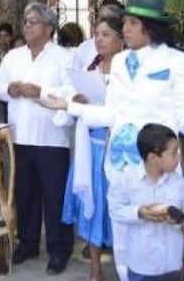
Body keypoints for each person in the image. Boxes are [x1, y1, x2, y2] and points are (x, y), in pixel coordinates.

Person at [40, 0, 184, 281]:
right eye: (124, 23)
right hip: (120, 164)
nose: (124, 29)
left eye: (130, 23)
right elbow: (111, 113)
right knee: (125, 239)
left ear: (148, 27)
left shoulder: (178, 62)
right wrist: (69, 106)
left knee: (163, 237)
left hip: (157, 162)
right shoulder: (120, 61)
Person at [0, 2, 76, 275]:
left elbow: (71, 93)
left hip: (52, 139)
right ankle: (27, 243)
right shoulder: (14, 56)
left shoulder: (64, 57)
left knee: (55, 198)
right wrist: (11, 89)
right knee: (25, 195)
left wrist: (41, 91)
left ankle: (59, 249)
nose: (27, 25)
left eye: (33, 21)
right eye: (25, 21)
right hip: (21, 136)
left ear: (49, 28)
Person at [62, 16, 124, 281]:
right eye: (96, 34)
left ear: (121, 40)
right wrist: (77, 102)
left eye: (106, 34)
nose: (98, 38)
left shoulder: (128, 73)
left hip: (119, 150)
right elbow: (79, 109)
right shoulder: (90, 71)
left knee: (119, 209)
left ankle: (126, 268)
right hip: (92, 147)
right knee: (94, 208)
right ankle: (95, 270)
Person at [109, 123, 184, 280]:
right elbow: (115, 210)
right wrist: (139, 212)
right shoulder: (127, 180)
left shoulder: (179, 183)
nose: (179, 157)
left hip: (174, 264)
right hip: (141, 266)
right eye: (173, 152)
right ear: (153, 157)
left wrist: (180, 220)